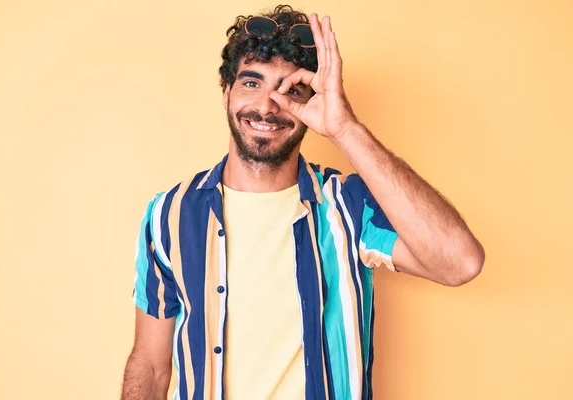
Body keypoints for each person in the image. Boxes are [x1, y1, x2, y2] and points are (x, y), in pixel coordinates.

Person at [121, 5, 485, 400]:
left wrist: (345, 129)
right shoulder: (169, 214)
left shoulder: (347, 206)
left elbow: (460, 263)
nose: (266, 106)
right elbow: (151, 364)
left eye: (291, 90)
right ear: (227, 92)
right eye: (251, 83)